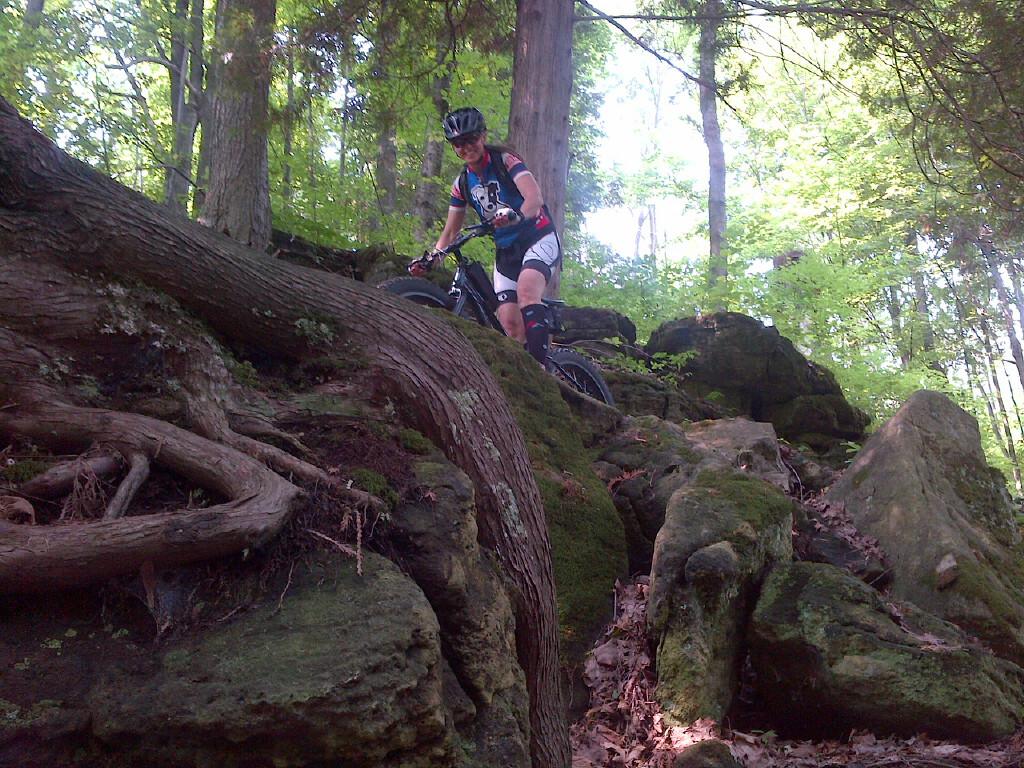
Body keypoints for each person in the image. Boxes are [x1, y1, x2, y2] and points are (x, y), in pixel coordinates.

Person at [412, 107, 560, 365]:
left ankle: (543, 375)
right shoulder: (461, 184)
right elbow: (450, 232)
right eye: (458, 143)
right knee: (510, 325)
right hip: (507, 250)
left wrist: (516, 215)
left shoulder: (505, 161)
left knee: (527, 292)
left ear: (483, 136)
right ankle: (528, 382)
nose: (465, 147)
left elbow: (534, 199)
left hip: (538, 236)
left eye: (470, 139)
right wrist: (431, 260)